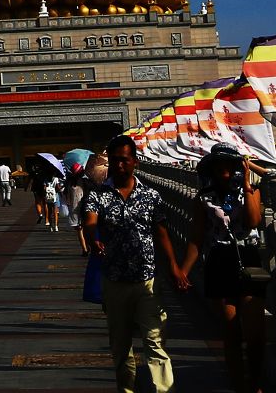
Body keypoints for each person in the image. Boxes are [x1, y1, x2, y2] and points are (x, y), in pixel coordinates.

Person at [78, 135, 176, 393]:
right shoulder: (98, 195)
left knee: (154, 341)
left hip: (147, 279)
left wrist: (175, 267)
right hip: (115, 280)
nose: (120, 165)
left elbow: (162, 232)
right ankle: (127, 389)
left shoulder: (150, 195)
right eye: (115, 160)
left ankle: (163, 389)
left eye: (124, 160)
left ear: (135, 162)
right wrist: (93, 238)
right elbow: (89, 221)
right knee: (120, 346)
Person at [170, 144, 267, 393]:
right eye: (219, 169)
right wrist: (183, 271)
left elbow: (253, 221)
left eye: (229, 168)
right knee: (231, 331)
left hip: (248, 257)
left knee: (255, 334)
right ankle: (238, 386)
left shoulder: (251, 192)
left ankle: (256, 383)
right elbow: (197, 238)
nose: (224, 174)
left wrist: (246, 184)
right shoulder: (204, 199)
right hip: (220, 260)